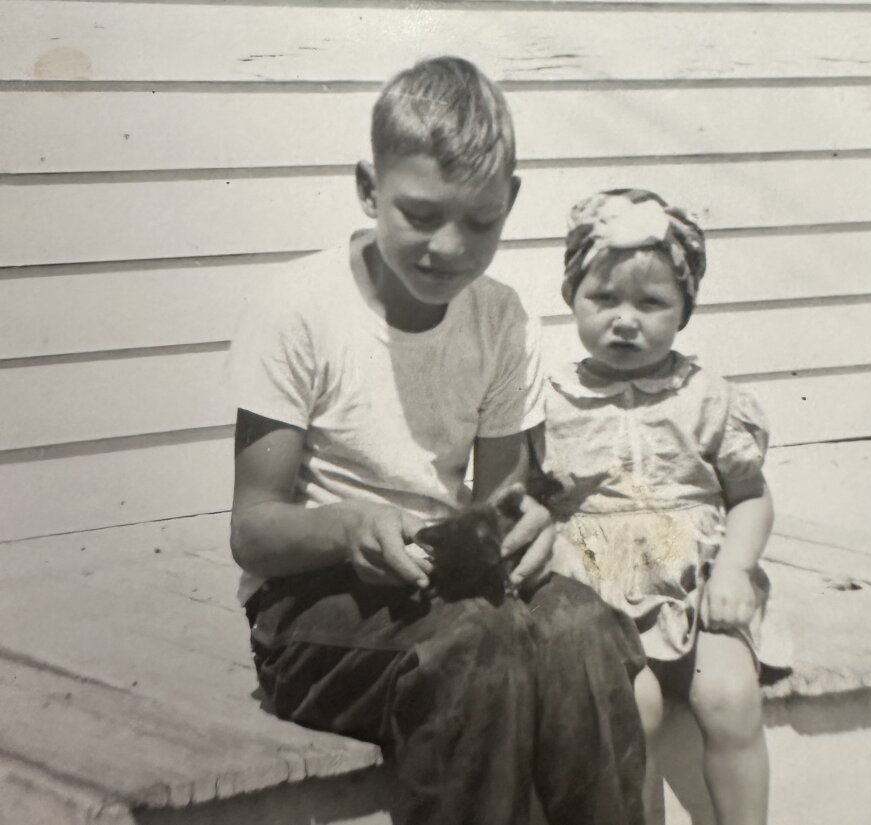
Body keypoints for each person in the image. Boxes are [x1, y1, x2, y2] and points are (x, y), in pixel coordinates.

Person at [229, 57, 647, 825]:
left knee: (583, 630)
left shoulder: (501, 318)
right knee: (478, 647)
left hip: (451, 583)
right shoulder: (298, 307)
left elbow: (500, 503)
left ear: (510, 202)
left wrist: (528, 521)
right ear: (368, 187)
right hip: (312, 605)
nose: (449, 247)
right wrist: (351, 524)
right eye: (420, 216)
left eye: (480, 222)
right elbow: (254, 531)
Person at [540, 189, 778, 825]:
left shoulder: (707, 398)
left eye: (651, 303)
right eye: (604, 299)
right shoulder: (551, 402)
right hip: (597, 595)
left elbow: (751, 497)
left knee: (731, 699)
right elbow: (531, 502)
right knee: (630, 710)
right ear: (572, 297)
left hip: (699, 588)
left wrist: (733, 569)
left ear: (684, 310)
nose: (625, 320)